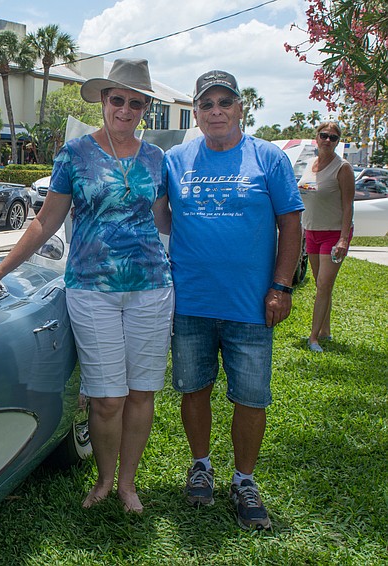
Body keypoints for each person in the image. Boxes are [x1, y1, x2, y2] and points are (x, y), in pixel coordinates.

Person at [0, 59, 173, 513]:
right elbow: (45, 220)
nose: (126, 110)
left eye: (137, 103)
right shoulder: (75, 154)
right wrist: (2, 269)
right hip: (91, 289)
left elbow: (164, 221)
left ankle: (129, 485)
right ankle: (104, 478)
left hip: (152, 286)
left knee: (141, 393)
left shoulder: (157, 158)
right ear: (102, 99)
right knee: (107, 396)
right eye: (118, 99)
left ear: (145, 109)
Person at [162, 70, 304, 530]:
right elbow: (158, 213)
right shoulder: (175, 159)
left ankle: (245, 480)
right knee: (193, 388)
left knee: (251, 397)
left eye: (226, 102)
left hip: (250, 305)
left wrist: (281, 286)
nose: (217, 111)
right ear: (197, 112)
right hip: (191, 303)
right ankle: (200, 466)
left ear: (241, 108)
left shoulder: (268, 158)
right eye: (207, 104)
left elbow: (292, 224)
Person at [298, 121, 355, 352]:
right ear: (317, 137)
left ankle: (313, 338)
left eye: (333, 137)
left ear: (338, 142)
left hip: (334, 234)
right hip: (312, 231)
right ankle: (326, 330)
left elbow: (348, 206)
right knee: (322, 285)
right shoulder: (310, 164)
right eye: (324, 135)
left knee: (323, 285)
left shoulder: (343, 168)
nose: (328, 140)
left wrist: (343, 238)